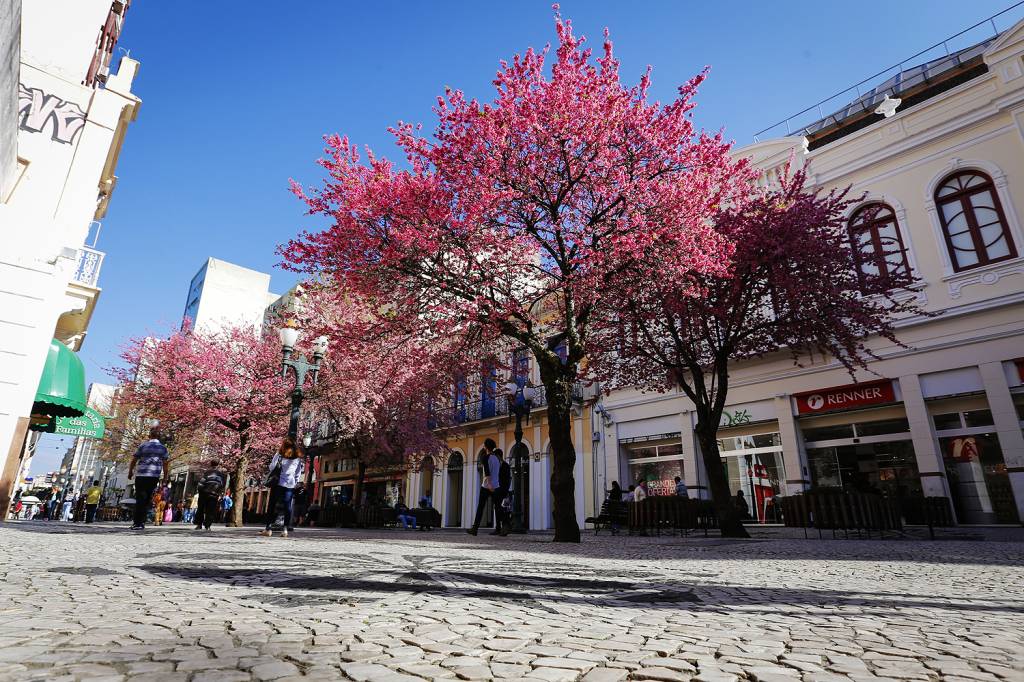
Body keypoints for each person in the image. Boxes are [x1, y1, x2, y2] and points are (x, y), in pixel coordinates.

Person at [260, 437, 305, 538]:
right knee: (287, 507)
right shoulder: (297, 459)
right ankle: (285, 530)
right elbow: (298, 473)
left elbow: (272, 467)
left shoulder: (279, 455)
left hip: (278, 483)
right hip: (289, 485)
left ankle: (268, 528)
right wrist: (295, 482)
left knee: (272, 505)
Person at [127, 426, 170, 530]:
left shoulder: (143, 446)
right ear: (159, 437)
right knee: (147, 499)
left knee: (140, 499)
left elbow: (134, 459)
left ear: (149, 436)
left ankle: (137, 522)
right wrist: (165, 476)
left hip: (141, 475)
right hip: (153, 476)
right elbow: (165, 463)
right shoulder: (163, 448)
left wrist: (130, 471)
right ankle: (142, 522)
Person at [466, 438, 500, 536]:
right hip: (496, 485)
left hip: (486, 486)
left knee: (481, 507)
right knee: (497, 507)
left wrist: (489, 484)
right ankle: (498, 528)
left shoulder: (485, 458)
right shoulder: (497, 458)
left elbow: (487, 471)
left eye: (484, 444)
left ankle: (475, 529)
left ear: (486, 446)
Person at [194, 460, 227, 531]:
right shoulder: (221, 475)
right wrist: (219, 493)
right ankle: (208, 525)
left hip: (204, 493)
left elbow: (201, 484)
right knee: (211, 510)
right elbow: (222, 485)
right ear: (218, 465)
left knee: (201, 509)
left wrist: (200, 491)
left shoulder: (207, 473)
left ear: (210, 465)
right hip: (214, 495)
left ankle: (199, 524)